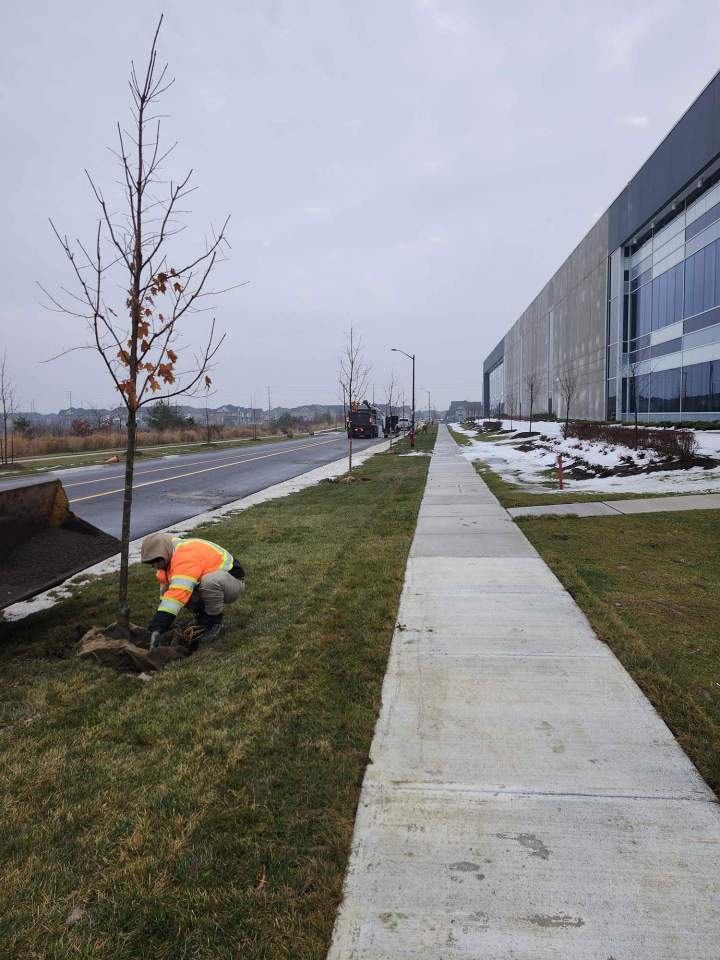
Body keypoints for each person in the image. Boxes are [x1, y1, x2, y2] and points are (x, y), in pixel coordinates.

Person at [140, 532, 245, 647]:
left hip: (233, 582)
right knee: (184, 587)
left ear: (164, 552)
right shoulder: (167, 560)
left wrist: (160, 626)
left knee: (208, 582)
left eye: (157, 561)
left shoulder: (184, 556)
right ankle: (202, 616)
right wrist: (156, 626)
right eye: (151, 563)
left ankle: (214, 621)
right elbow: (167, 597)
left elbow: (177, 594)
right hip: (215, 581)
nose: (155, 566)